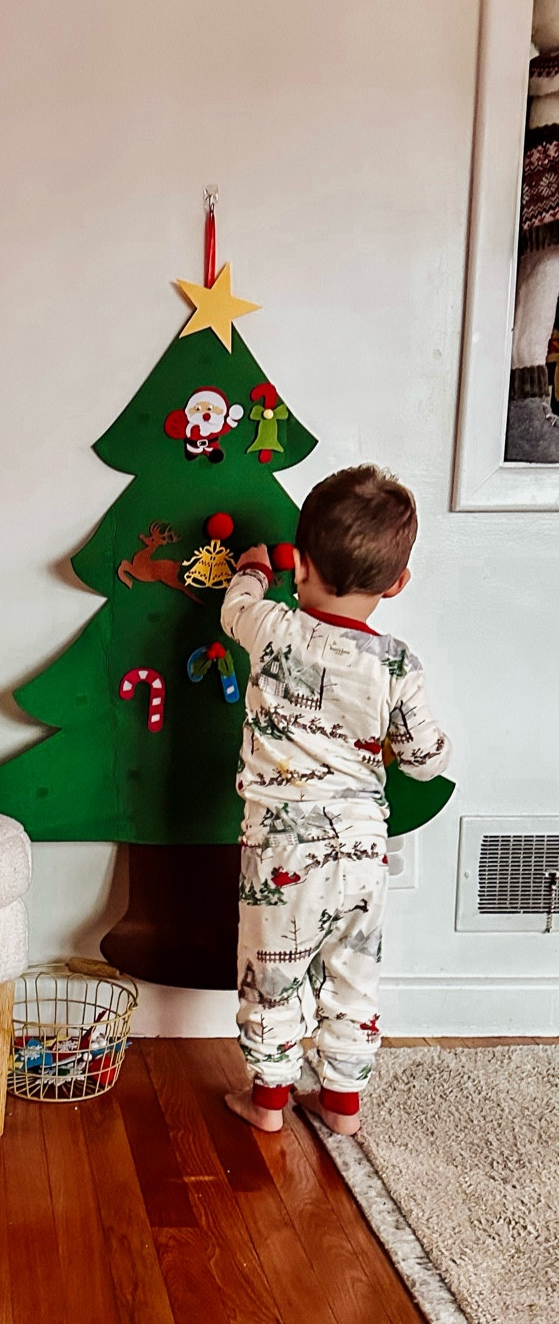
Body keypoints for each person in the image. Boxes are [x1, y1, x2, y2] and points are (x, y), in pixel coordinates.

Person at [219, 466, 451, 1136]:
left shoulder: (274, 628)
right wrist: (432, 753)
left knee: (275, 972)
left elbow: (234, 607)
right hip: (361, 853)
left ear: (303, 566)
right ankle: (343, 1107)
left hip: (282, 850)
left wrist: (255, 568)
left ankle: (268, 1102)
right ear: (396, 583)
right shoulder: (398, 664)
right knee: (354, 968)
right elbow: (426, 760)